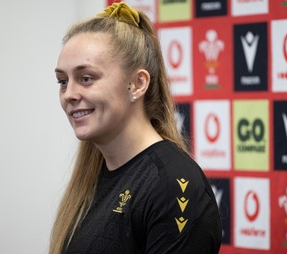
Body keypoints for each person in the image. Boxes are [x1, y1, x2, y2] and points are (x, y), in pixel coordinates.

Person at [50, 2, 222, 254]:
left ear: (137, 84)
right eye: (63, 81)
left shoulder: (172, 185)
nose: (69, 94)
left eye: (86, 78)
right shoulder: (92, 176)